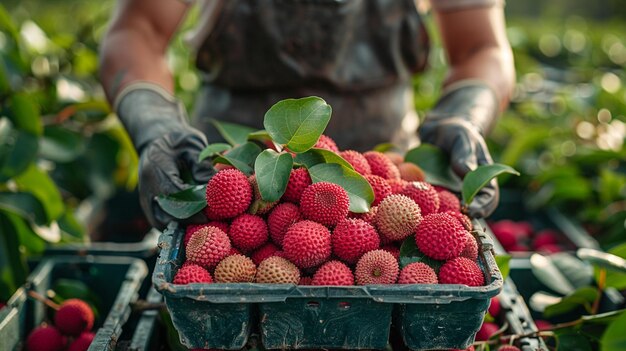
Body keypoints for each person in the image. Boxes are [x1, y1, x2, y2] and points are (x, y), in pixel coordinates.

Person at [99, 0, 515, 230]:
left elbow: (482, 49)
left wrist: (465, 114)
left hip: (386, 188)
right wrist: (153, 121)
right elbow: (138, 30)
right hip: (228, 183)